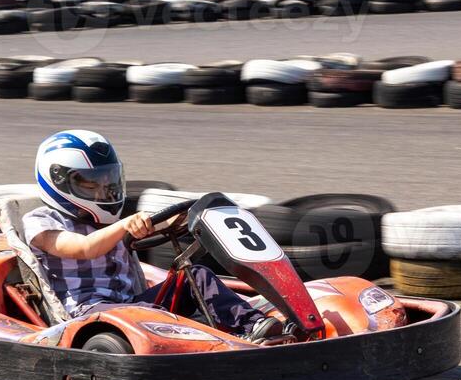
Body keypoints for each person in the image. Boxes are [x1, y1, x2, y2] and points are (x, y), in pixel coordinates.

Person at [18, 129, 282, 342]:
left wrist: (183, 217)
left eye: (107, 181)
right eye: (90, 183)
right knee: (146, 315)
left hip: (130, 304)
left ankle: (254, 327)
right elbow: (84, 248)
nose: (102, 191)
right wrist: (124, 226)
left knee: (196, 276)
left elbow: (151, 227)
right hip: (88, 313)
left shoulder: (110, 221)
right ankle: (211, 342)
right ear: (59, 181)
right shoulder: (42, 222)